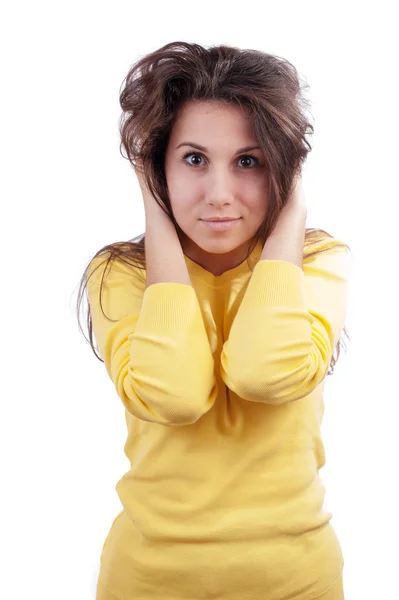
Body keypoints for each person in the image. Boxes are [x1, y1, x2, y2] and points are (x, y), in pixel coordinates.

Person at [78, 41, 352, 600]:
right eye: (194, 159)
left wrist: (293, 212)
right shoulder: (119, 275)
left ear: (284, 168)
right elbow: (173, 396)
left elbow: (265, 374)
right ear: (159, 167)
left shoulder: (319, 261)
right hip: (148, 583)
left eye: (248, 161)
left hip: (297, 582)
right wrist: (156, 210)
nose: (220, 196)